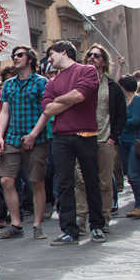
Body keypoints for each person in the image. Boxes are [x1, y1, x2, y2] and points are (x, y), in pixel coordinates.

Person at [41, 40, 106, 245]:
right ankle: (69, 230)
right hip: (60, 137)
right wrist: (70, 99)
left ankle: (97, 226)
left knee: (91, 181)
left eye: (51, 54)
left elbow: (80, 95)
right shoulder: (51, 82)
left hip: (86, 134)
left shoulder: (87, 70)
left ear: (63, 52)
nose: (49, 59)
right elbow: (47, 110)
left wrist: (59, 100)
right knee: (64, 184)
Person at [0, 46, 50, 240]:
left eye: (20, 55)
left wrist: (33, 134)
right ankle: (16, 224)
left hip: (36, 139)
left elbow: (47, 111)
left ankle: (37, 224)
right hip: (12, 138)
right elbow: (4, 112)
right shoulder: (9, 84)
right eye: (14, 55)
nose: (15, 58)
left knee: (36, 182)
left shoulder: (41, 82)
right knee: (5, 180)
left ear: (30, 59)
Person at [75, 45, 125, 233]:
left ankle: (104, 218)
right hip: (83, 139)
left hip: (105, 139)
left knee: (104, 182)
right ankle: (81, 216)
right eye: (89, 55)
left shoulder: (113, 87)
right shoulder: (79, 84)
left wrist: (113, 138)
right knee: (81, 181)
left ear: (104, 61)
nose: (91, 57)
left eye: (96, 55)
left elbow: (121, 114)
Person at [119, 75, 140, 218]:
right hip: (124, 140)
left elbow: (136, 120)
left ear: (123, 87)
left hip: (135, 141)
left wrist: (119, 122)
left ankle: (139, 206)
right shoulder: (124, 101)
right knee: (132, 175)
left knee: (133, 174)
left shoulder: (137, 99)